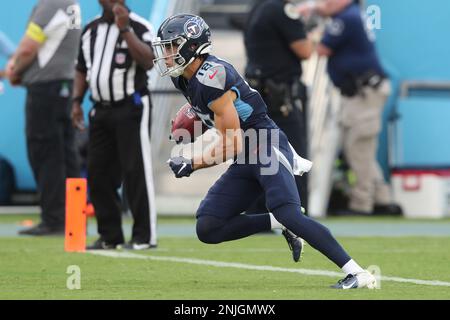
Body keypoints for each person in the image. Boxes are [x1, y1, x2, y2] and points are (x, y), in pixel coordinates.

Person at [154, 13, 377, 289]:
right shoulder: (185, 79)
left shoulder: (212, 77)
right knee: (208, 226)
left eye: (171, 46)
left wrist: (192, 163)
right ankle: (276, 222)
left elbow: (231, 141)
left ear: (191, 46)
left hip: (264, 145)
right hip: (246, 154)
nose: (166, 54)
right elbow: (217, 117)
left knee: (291, 213)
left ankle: (358, 272)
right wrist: (193, 116)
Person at [299, 0, 402, 216]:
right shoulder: (350, 15)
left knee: (358, 147)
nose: (326, 2)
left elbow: (322, 49)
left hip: (364, 92)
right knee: (361, 148)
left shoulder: (347, 18)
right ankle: (382, 199)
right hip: (360, 92)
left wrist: (303, 29)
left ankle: (362, 204)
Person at [71, 0, 157, 250]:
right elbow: (81, 68)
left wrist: (125, 29)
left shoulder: (140, 26)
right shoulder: (91, 29)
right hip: (100, 109)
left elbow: (148, 61)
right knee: (98, 174)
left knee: (135, 171)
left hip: (131, 106)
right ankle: (110, 235)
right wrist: (76, 101)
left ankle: (144, 236)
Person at [6, 0, 82, 236]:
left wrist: (15, 70)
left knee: (45, 153)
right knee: (66, 155)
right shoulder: (72, 4)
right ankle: (74, 219)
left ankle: (53, 219)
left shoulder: (50, 4)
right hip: (65, 85)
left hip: (45, 88)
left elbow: (29, 48)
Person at [244, 0, 313, 214]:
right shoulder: (282, 9)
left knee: (260, 158)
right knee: (296, 160)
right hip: (280, 100)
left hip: (259, 98)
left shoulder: (258, 8)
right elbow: (305, 50)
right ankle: (298, 217)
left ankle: (258, 216)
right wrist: (311, 28)